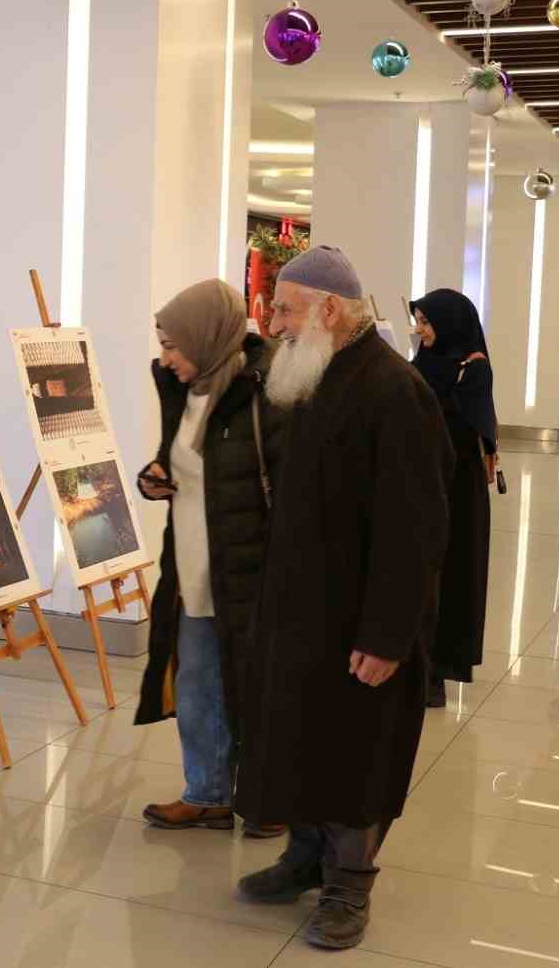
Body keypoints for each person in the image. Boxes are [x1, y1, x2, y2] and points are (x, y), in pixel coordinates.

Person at [235, 246, 453, 950]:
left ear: (330, 310)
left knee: (356, 752)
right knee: (298, 737)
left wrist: (388, 636)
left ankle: (347, 887)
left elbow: (413, 531)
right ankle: (304, 858)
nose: (274, 324)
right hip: (301, 612)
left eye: (287, 310)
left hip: (362, 620)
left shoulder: (395, 392)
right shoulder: (320, 374)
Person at [134, 279, 289, 839]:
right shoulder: (184, 391)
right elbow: (179, 462)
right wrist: (154, 477)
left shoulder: (265, 389)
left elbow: (285, 485)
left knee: (255, 686)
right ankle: (207, 794)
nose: (164, 356)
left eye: (172, 344)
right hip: (193, 566)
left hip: (249, 570)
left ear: (205, 335)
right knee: (198, 683)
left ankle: (267, 798)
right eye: (161, 343)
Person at [410, 289, 498, 707]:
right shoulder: (422, 363)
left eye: (426, 323)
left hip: (456, 493)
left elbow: (465, 428)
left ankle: (436, 672)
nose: (420, 330)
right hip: (424, 484)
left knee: (449, 576)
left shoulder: (474, 369)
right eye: (420, 321)